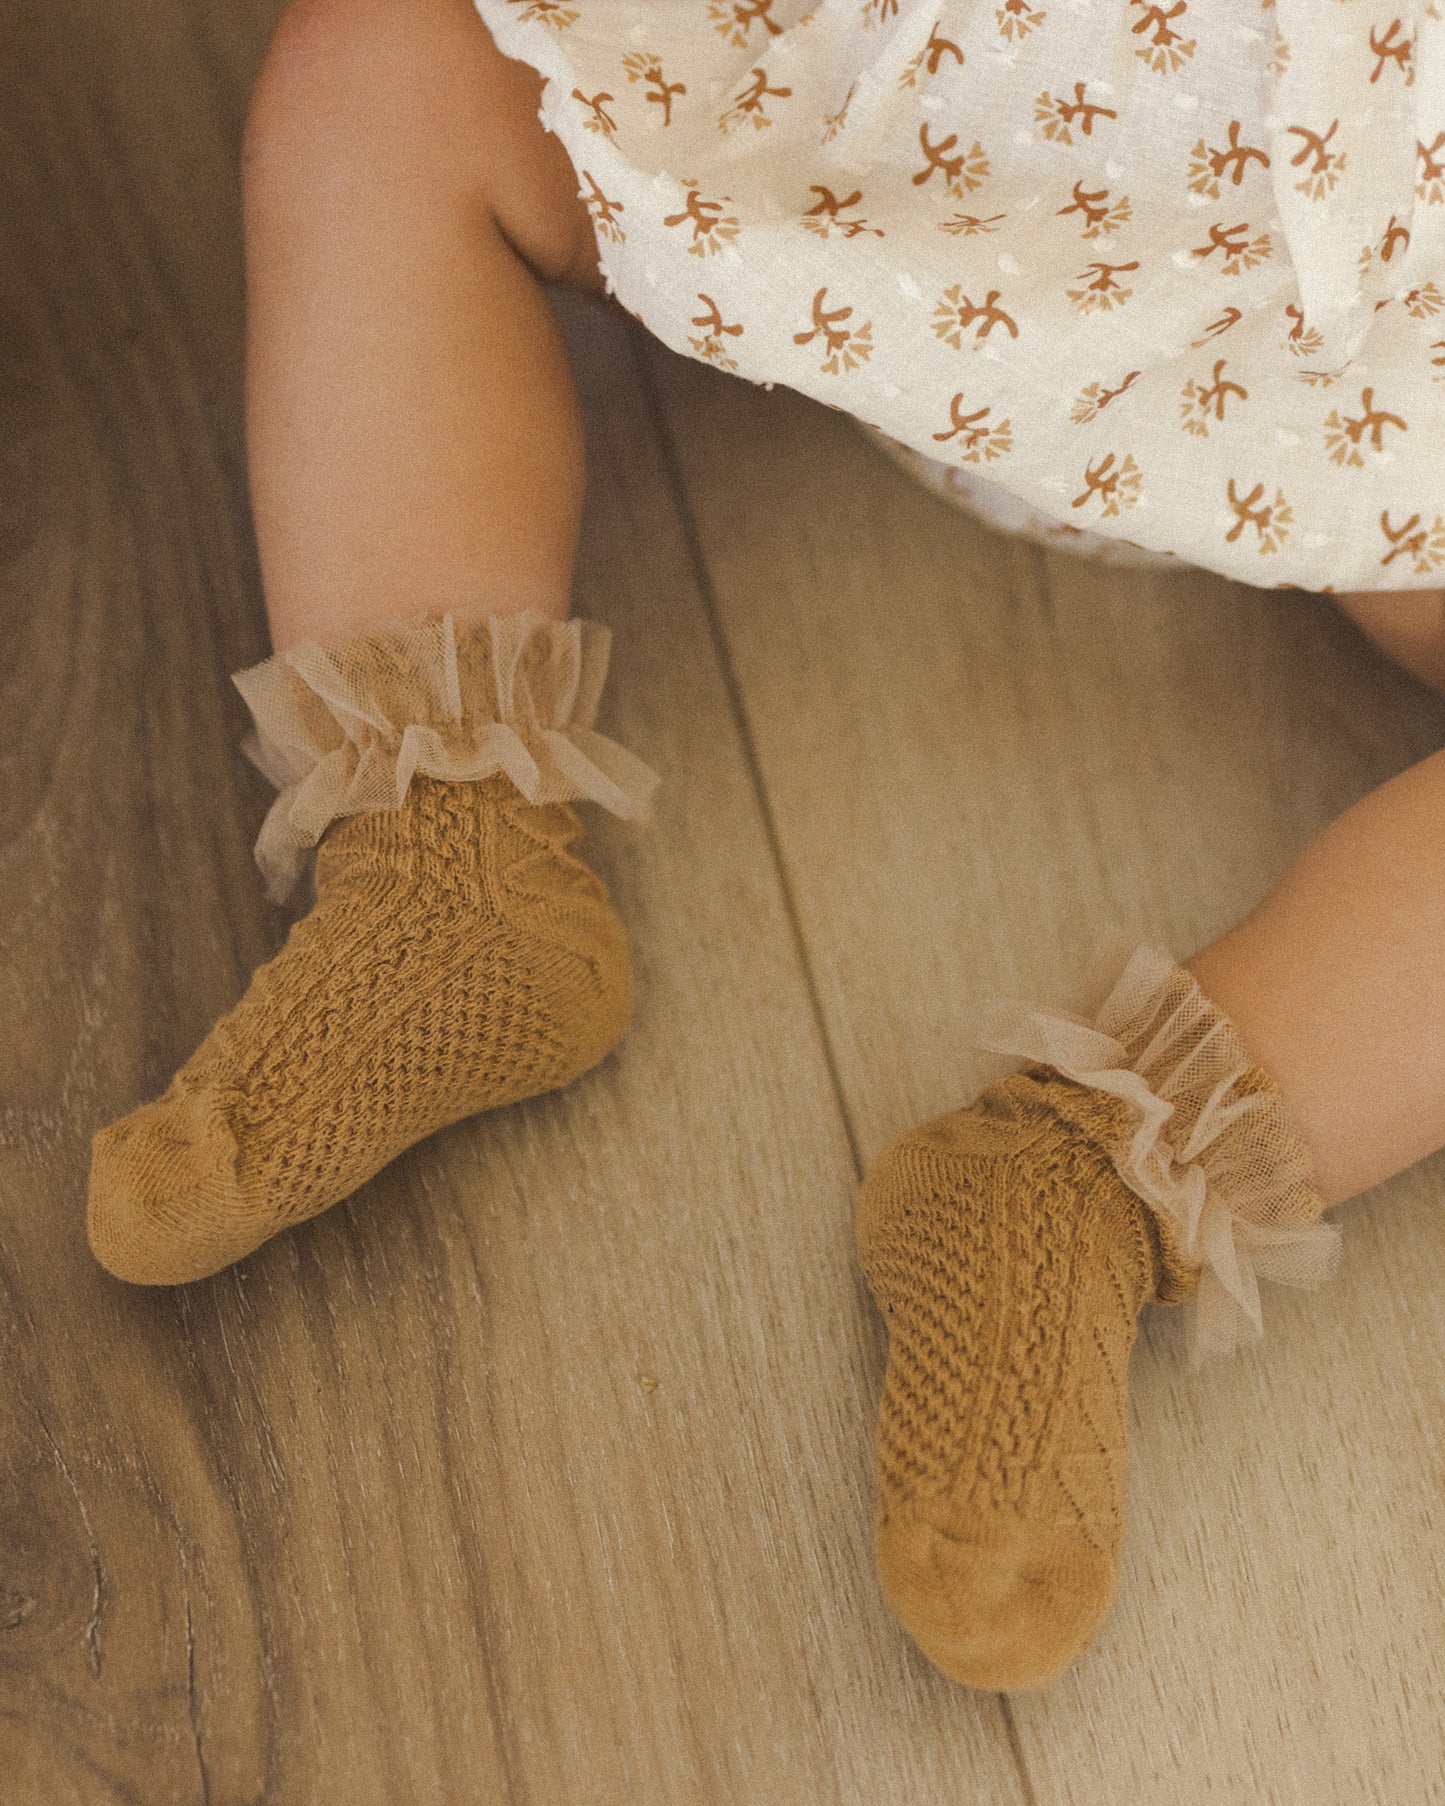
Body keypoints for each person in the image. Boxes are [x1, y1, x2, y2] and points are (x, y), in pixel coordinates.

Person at [86, 0, 1445, 1692]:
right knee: (377, 77)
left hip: (1355, 325)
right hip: (881, 134)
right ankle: (449, 865)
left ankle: (1076, 1195)